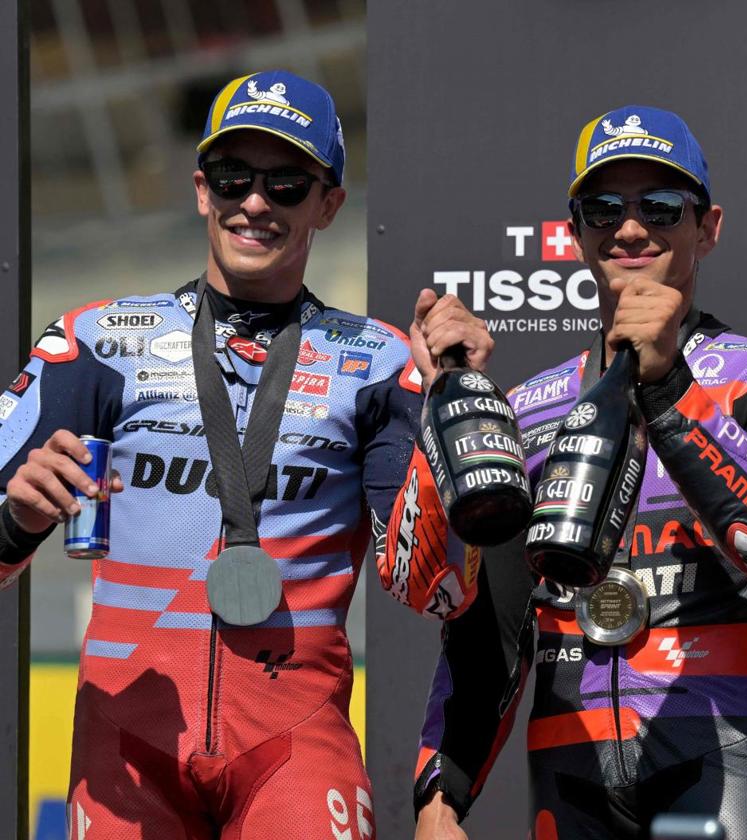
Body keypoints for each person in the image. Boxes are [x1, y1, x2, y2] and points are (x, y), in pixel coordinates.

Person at [0, 70, 483, 838]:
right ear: (201, 189)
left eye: (287, 183)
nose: (255, 203)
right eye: (233, 177)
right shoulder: (96, 341)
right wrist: (15, 523)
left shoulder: (377, 362)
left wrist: (456, 398)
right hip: (128, 748)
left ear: (329, 203)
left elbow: (432, 586)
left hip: (293, 746)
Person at [403, 105, 747, 839]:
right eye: (604, 208)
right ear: (575, 232)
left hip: (731, 750)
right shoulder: (527, 410)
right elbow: (482, 625)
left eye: (661, 207)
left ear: (708, 228)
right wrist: (441, 795)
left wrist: (672, 389)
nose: (631, 228)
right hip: (568, 763)